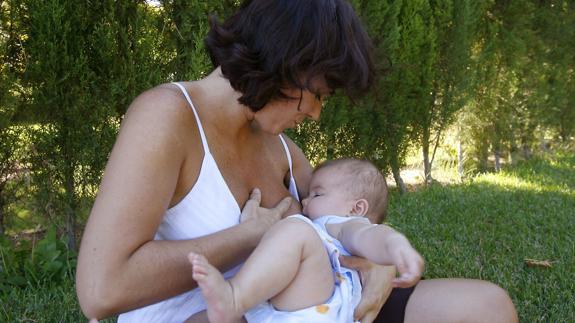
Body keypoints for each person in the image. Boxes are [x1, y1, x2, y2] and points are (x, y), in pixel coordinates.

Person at [76, 1, 519, 322]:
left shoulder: (285, 151)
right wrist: (250, 235)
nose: (315, 112)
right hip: (204, 317)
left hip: (305, 309)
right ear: (285, 60)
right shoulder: (168, 116)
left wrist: (375, 264)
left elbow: (330, 234)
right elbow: (102, 290)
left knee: (487, 307)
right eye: (319, 93)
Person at [188, 158, 420, 323]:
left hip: (320, 307)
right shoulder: (325, 226)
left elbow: (368, 236)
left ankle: (234, 298)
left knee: (297, 229)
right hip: (291, 309)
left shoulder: (344, 224)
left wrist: (394, 244)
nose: (306, 201)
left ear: (356, 208)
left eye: (317, 194)